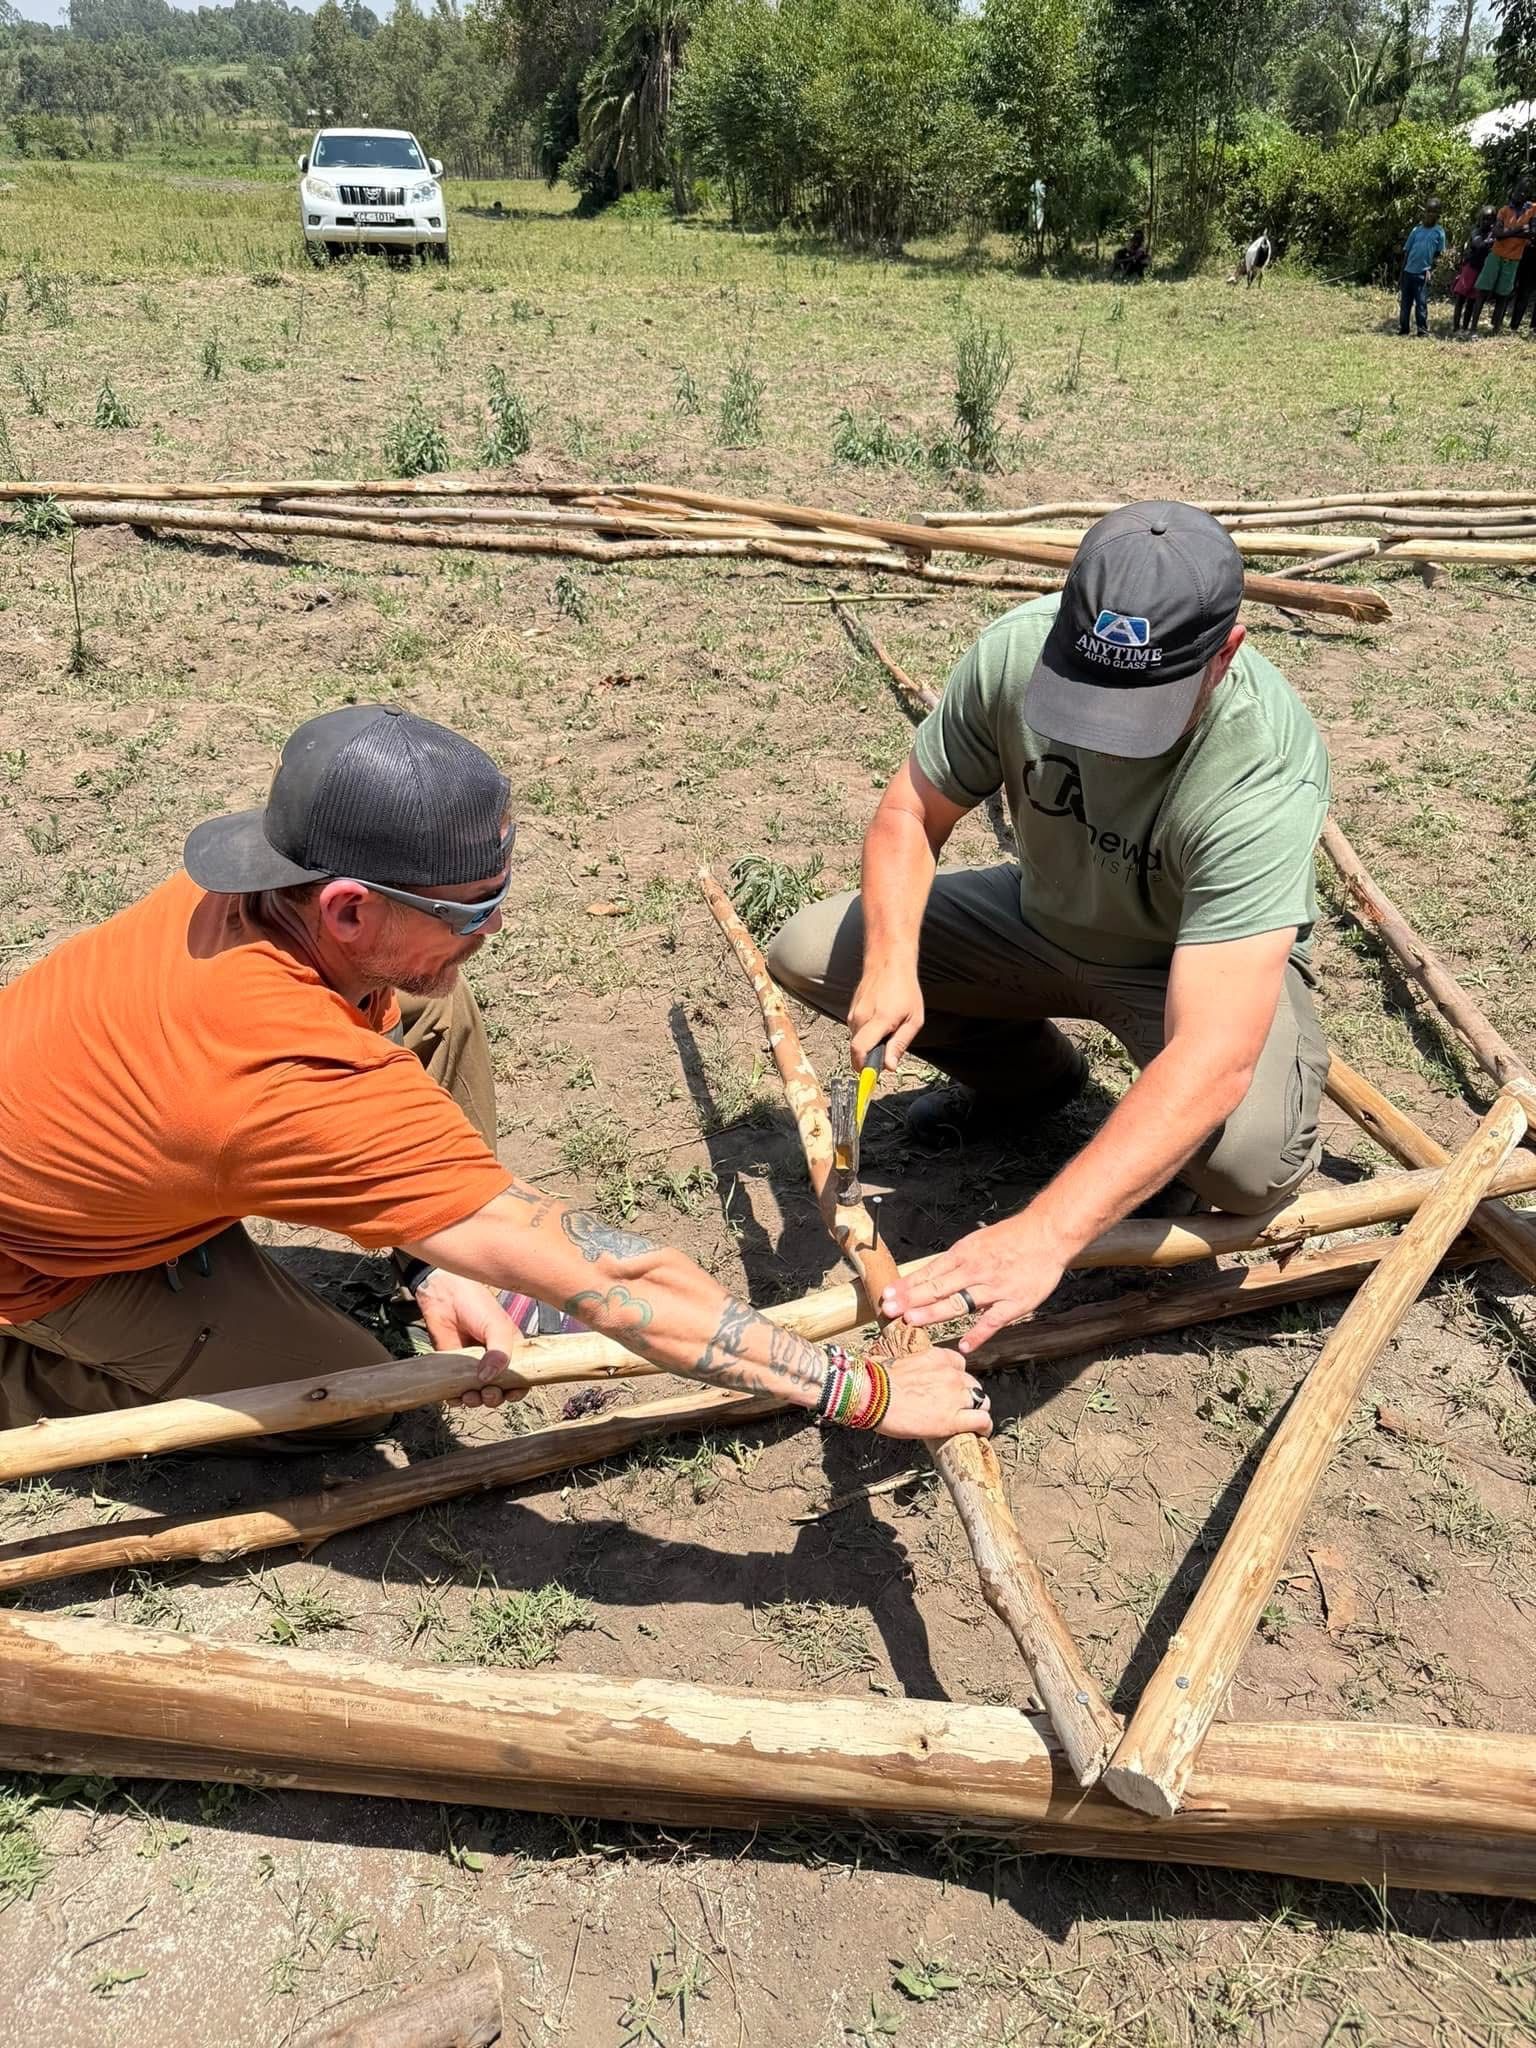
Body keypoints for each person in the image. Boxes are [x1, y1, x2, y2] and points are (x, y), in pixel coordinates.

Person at [0, 705, 985, 1445]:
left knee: (429, 989)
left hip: (112, 1151)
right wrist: (866, 1388)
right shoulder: (280, 1074)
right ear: (346, 908)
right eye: (472, 908)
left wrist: (448, 1250)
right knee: (338, 1402)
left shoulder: (268, 880)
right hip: (46, 1265)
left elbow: (402, 989)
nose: (495, 926)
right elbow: (613, 1282)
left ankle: (438, 1246)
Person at [768, 503, 1331, 1356]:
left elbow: (1213, 1052)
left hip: (1178, 965)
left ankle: (1157, 1152)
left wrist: (1047, 1232)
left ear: (1226, 654)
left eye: (1138, 709)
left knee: (1245, 1163)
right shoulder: (1013, 651)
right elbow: (910, 813)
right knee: (816, 954)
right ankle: (1034, 1086)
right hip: (1035, 923)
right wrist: (891, 963)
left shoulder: (1263, 766)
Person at [1478, 177, 1536, 334]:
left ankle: (1509, 327)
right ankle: (1490, 324)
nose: (1521, 193)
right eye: (1519, 190)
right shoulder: (1508, 210)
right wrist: (1520, 232)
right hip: (1509, 253)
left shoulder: (1533, 209)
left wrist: (1520, 233)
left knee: (1517, 291)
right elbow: (1499, 233)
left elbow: (1531, 232)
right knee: (1497, 290)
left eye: (1525, 191)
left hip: (1522, 256)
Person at [1398, 199, 1445, 336]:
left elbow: (1438, 254)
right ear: (1424, 212)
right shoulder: (1416, 230)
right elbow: (1407, 251)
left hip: (1423, 273)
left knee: (1421, 303)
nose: (1430, 215)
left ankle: (1422, 330)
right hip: (1408, 272)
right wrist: (1402, 272)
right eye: (1428, 211)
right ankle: (1404, 329)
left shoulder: (1439, 232)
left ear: (1438, 215)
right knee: (1405, 303)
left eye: (1433, 212)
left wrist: (1431, 269)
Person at [1450, 206, 1497, 335]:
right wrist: (1493, 239)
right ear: (1480, 219)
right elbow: (1479, 245)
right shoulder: (1476, 232)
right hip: (1470, 268)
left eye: (1490, 219)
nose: (1486, 222)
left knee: (1471, 301)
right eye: (1484, 219)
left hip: (1481, 270)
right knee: (1461, 298)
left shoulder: (1492, 234)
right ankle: (1455, 327)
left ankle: (1465, 328)